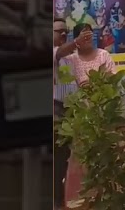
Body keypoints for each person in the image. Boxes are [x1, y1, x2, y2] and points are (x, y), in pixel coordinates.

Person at [59, 22, 115, 208]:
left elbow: (112, 81)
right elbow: (66, 88)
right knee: (85, 159)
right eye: (84, 36)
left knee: (106, 155)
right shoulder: (71, 60)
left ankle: (108, 194)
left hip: (103, 114)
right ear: (76, 39)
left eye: (91, 35)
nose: (88, 39)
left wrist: (96, 86)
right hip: (81, 118)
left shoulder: (103, 55)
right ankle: (90, 197)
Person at [52, 19, 81, 209]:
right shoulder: (54, 53)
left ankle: (60, 203)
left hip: (70, 112)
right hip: (55, 111)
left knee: (63, 162)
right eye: (59, 31)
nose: (63, 34)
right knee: (55, 162)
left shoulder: (71, 58)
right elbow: (60, 51)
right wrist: (79, 40)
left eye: (65, 31)